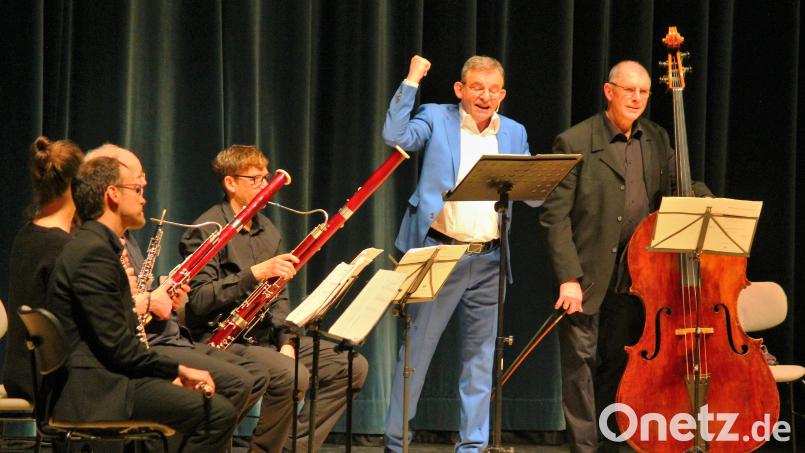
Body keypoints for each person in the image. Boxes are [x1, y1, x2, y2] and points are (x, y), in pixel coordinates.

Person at [539, 60, 711, 453]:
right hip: (585, 276)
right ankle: (584, 448)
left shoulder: (657, 137)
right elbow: (555, 217)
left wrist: (704, 197)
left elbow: (674, 187)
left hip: (638, 276)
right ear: (609, 91)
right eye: (629, 90)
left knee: (620, 363)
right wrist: (568, 277)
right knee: (580, 368)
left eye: (644, 92)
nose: (637, 98)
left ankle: (610, 442)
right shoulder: (575, 141)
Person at [382, 55, 530, 452]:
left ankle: (473, 446)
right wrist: (412, 78)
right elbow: (395, 134)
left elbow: (529, 192)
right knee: (416, 353)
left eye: (493, 89)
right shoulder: (436, 117)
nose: (485, 96)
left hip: (490, 259)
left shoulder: (514, 131)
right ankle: (396, 443)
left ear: (503, 94)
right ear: (460, 90)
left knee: (481, 361)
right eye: (476, 88)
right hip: (439, 252)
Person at [179, 144, 369, 453]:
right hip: (223, 340)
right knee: (289, 375)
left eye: (266, 178)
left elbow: (278, 297)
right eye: (255, 179)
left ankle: (294, 447)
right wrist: (253, 274)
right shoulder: (207, 229)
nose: (265, 187)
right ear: (230, 183)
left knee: (351, 365)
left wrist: (287, 342)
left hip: (266, 338)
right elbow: (199, 301)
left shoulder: (269, 230)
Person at [84, 143, 270, 451]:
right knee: (236, 386)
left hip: (167, 337)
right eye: (137, 183)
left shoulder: (124, 238)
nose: (145, 191)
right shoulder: (92, 246)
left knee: (254, 376)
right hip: (144, 348)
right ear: (111, 191)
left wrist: (163, 294)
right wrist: (148, 302)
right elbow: (109, 320)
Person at [46, 155, 237, 452]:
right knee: (218, 415)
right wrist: (177, 370)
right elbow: (118, 349)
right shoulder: (92, 254)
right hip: (98, 390)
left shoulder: (92, 247)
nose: (144, 200)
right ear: (112, 194)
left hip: (105, 380)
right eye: (137, 190)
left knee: (212, 406)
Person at [3, 136, 83, 401]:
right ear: (76, 185)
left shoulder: (26, 234)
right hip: (50, 378)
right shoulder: (64, 246)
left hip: (20, 372)